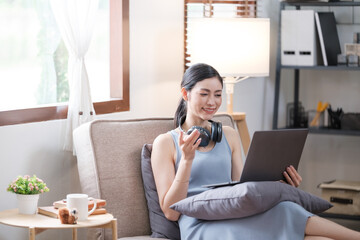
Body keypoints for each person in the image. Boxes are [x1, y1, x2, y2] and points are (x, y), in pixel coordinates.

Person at [151, 63, 360, 240]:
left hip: (232, 213)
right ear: (185, 93)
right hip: (200, 226)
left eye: (217, 95)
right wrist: (187, 161)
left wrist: (277, 184)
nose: (212, 102)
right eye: (204, 94)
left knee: (287, 209)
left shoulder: (228, 135)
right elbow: (170, 211)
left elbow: (241, 189)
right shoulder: (165, 143)